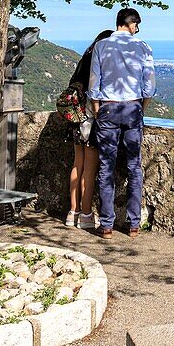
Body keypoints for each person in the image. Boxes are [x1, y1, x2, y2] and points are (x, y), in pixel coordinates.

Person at [87, 8, 155, 239]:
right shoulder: (143, 47)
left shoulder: (101, 46)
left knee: (106, 166)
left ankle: (106, 226)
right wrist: (141, 108)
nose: (137, 29)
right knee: (134, 167)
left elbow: (94, 82)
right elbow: (149, 85)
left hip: (108, 107)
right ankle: (133, 224)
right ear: (132, 23)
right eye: (137, 25)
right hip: (133, 108)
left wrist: (97, 108)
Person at [65, 29, 112, 229]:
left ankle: (72, 212)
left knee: (77, 165)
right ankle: (85, 215)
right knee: (90, 169)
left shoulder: (85, 57)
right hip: (90, 119)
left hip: (76, 117)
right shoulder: (99, 59)